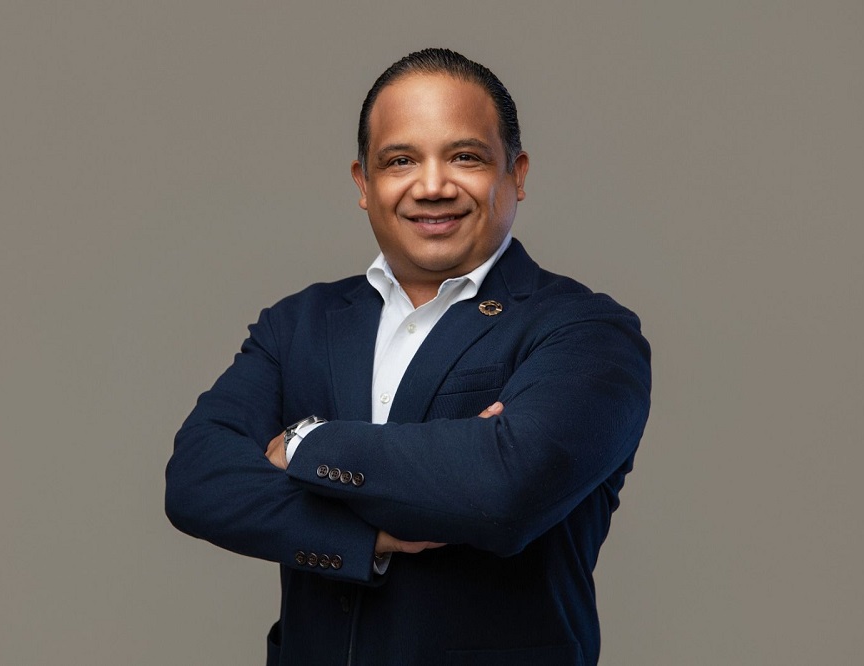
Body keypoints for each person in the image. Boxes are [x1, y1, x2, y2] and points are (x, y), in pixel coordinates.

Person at [165, 48, 651, 666]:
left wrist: (306, 444)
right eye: (400, 161)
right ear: (363, 184)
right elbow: (197, 481)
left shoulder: (586, 332)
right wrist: (368, 535)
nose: (432, 186)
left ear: (517, 174)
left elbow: (503, 492)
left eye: (465, 157)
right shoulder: (299, 324)